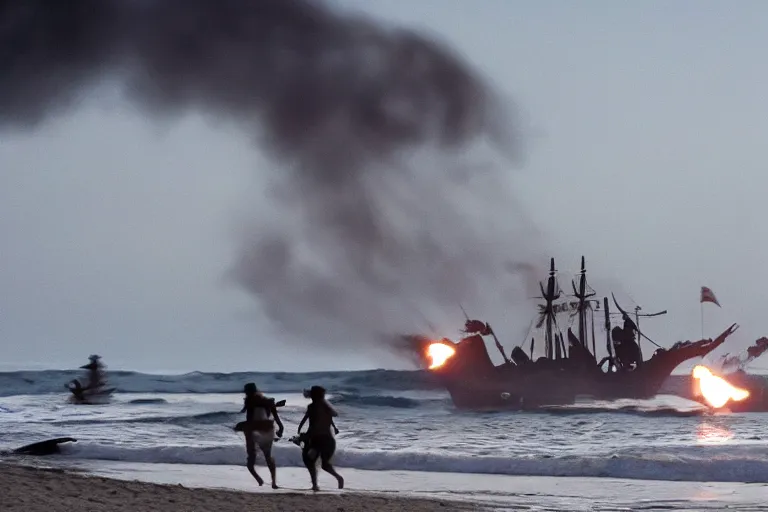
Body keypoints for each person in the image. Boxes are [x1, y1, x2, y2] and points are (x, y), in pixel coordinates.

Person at [235, 383, 284, 489]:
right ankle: (273, 483)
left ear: (248, 391)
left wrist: (239, 426)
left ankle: (259, 480)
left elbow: (249, 419)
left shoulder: (249, 401)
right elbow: (276, 418)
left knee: (250, 461)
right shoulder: (267, 401)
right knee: (268, 457)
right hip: (267, 430)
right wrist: (281, 428)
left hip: (253, 431)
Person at [297, 385, 344, 491]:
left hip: (318, 440)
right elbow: (328, 419)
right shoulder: (326, 407)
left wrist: (304, 436)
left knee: (309, 459)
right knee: (325, 464)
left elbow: (314, 425)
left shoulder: (313, 407)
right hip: (328, 440)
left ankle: (315, 485)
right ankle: (338, 478)